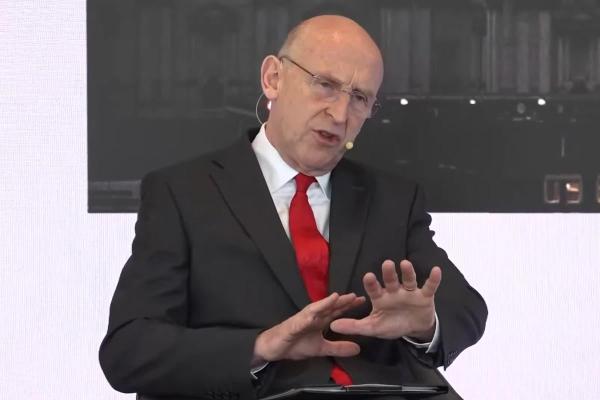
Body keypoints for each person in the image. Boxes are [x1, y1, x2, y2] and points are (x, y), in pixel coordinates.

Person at [99, 15, 487, 400]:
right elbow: (130, 350)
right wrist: (261, 346)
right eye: (325, 85)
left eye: (359, 98)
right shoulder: (182, 192)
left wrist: (424, 326)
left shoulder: (393, 199)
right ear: (273, 78)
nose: (340, 114)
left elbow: (465, 308)